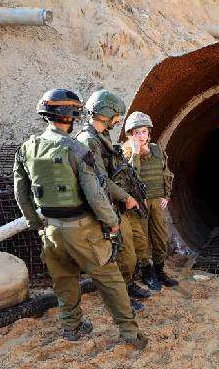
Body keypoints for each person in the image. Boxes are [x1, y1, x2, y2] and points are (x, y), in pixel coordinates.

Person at [13, 89, 147, 348]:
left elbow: (21, 194)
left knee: (64, 281)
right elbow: (95, 193)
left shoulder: (26, 149)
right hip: (83, 230)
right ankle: (130, 333)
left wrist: (37, 225)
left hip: (51, 229)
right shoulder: (76, 149)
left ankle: (72, 327)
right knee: (110, 279)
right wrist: (112, 222)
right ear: (71, 116)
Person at [76, 90, 151, 312]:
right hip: (105, 204)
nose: (118, 120)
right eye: (116, 115)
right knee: (119, 253)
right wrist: (126, 197)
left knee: (128, 250)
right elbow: (100, 180)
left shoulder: (102, 137)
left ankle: (127, 286)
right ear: (106, 113)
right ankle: (121, 297)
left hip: (114, 202)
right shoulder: (89, 140)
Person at [122, 111, 178, 290]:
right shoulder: (126, 153)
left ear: (149, 133)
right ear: (131, 134)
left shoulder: (156, 149)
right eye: (136, 132)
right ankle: (147, 271)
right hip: (140, 204)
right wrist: (135, 155)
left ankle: (160, 270)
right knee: (142, 240)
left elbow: (166, 173)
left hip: (157, 201)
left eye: (143, 131)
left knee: (161, 237)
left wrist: (166, 195)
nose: (140, 135)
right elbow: (129, 177)